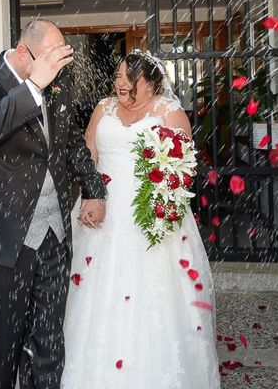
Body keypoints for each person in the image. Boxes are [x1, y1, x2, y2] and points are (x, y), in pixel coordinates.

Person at [0, 20, 107, 389]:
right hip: (3, 237)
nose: (59, 67)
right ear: (24, 53)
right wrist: (34, 85)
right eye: (52, 58)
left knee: (49, 337)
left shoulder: (59, 82)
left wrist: (94, 188)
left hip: (54, 234)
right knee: (2, 341)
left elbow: (69, 144)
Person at [61, 50, 220, 388]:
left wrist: (162, 194)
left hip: (150, 212)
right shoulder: (103, 109)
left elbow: (185, 166)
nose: (121, 83)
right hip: (102, 207)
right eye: (119, 76)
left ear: (151, 84)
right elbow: (88, 152)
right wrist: (89, 192)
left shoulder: (169, 112)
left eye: (131, 79)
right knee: (94, 290)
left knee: (155, 294)